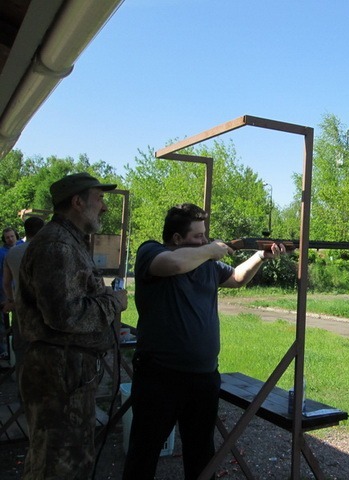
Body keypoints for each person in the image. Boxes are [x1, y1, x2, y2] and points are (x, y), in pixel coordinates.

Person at [122, 203, 285, 480]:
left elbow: (236, 278)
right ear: (177, 238)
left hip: (203, 377)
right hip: (159, 375)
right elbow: (174, 264)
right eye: (198, 236)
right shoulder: (151, 251)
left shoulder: (207, 263)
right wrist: (211, 249)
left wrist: (260, 255)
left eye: (205, 235)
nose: (205, 239)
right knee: (144, 454)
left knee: (200, 456)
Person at [16, 172, 128, 479]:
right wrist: (113, 302)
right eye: (99, 198)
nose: (104, 207)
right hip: (58, 374)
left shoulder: (69, 241)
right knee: (57, 465)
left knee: (67, 459)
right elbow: (65, 315)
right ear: (77, 202)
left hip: (67, 372)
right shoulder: (57, 245)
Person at [3, 216, 45, 381]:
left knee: (21, 351)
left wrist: (11, 300)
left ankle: (22, 388)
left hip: (20, 309)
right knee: (44, 352)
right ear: (42, 230)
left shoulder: (13, 252)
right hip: (43, 310)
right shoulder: (47, 251)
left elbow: (6, 283)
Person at [0, 226, 22, 360]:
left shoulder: (22, 247)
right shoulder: (1, 253)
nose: (10, 239)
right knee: (3, 322)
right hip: (5, 291)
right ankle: (3, 350)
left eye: (12, 236)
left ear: (16, 236)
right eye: (7, 237)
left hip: (20, 290)